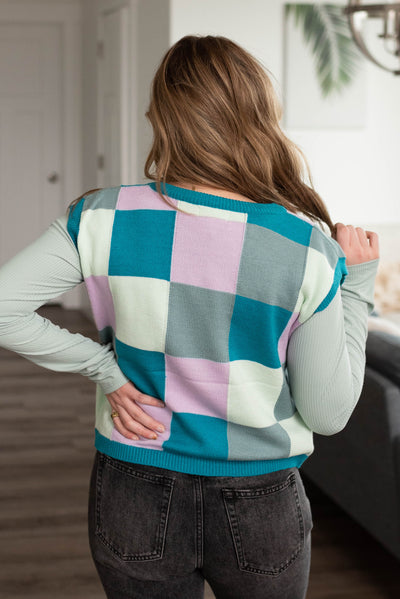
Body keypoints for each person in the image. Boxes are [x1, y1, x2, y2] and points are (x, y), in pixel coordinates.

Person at [0, 35, 379, 599]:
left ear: (163, 115)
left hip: (133, 488)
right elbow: (328, 413)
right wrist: (358, 284)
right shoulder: (305, 249)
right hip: (262, 503)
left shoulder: (101, 216)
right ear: (259, 118)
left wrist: (104, 368)